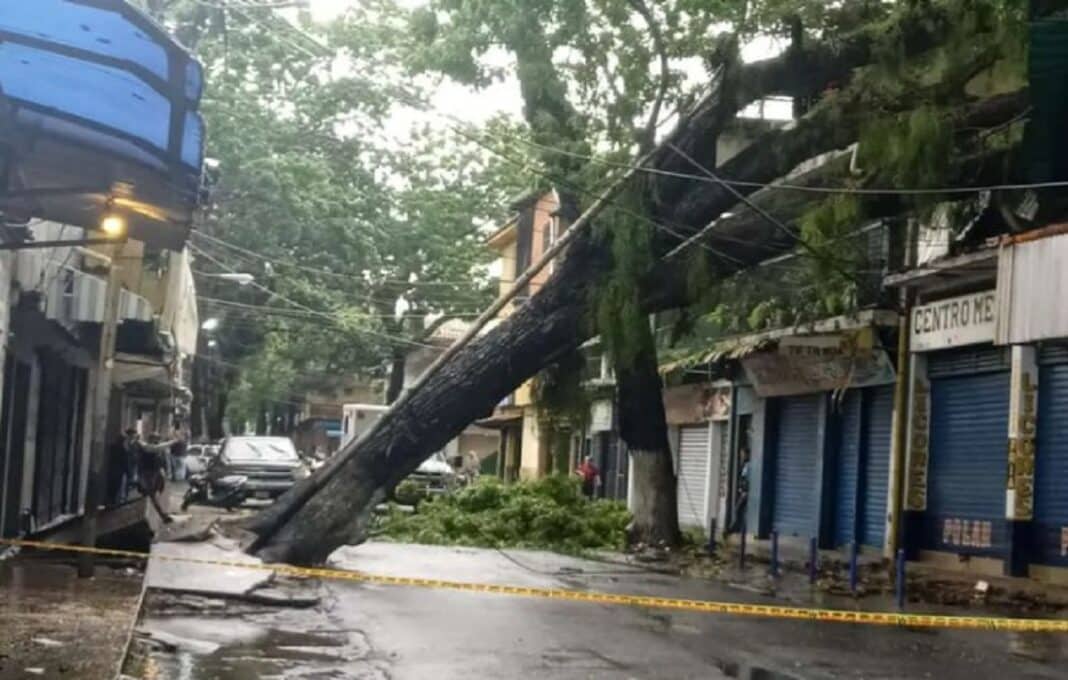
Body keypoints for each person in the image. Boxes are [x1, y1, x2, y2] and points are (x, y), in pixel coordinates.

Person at [730, 447, 751, 533]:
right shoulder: (744, 464)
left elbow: (746, 479)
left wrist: (744, 490)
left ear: (747, 455)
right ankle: (740, 528)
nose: (741, 456)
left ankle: (738, 528)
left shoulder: (748, 465)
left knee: (738, 509)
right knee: (741, 510)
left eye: (743, 454)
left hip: (746, 492)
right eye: (741, 454)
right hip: (744, 491)